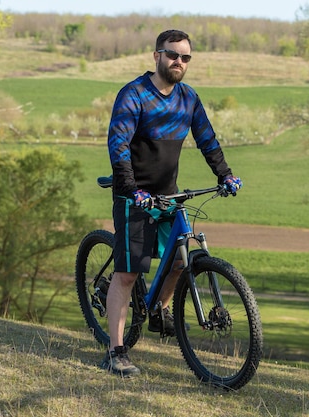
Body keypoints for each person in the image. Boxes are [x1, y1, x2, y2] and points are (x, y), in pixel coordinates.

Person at [101, 29, 242, 377]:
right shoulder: (134, 94)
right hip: (134, 195)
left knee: (179, 261)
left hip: (168, 194)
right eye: (172, 54)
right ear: (156, 56)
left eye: (185, 57)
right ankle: (116, 351)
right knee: (127, 275)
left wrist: (225, 175)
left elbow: (207, 139)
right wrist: (132, 188)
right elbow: (118, 145)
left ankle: (160, 309)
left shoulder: (188, 98)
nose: (178, 61)